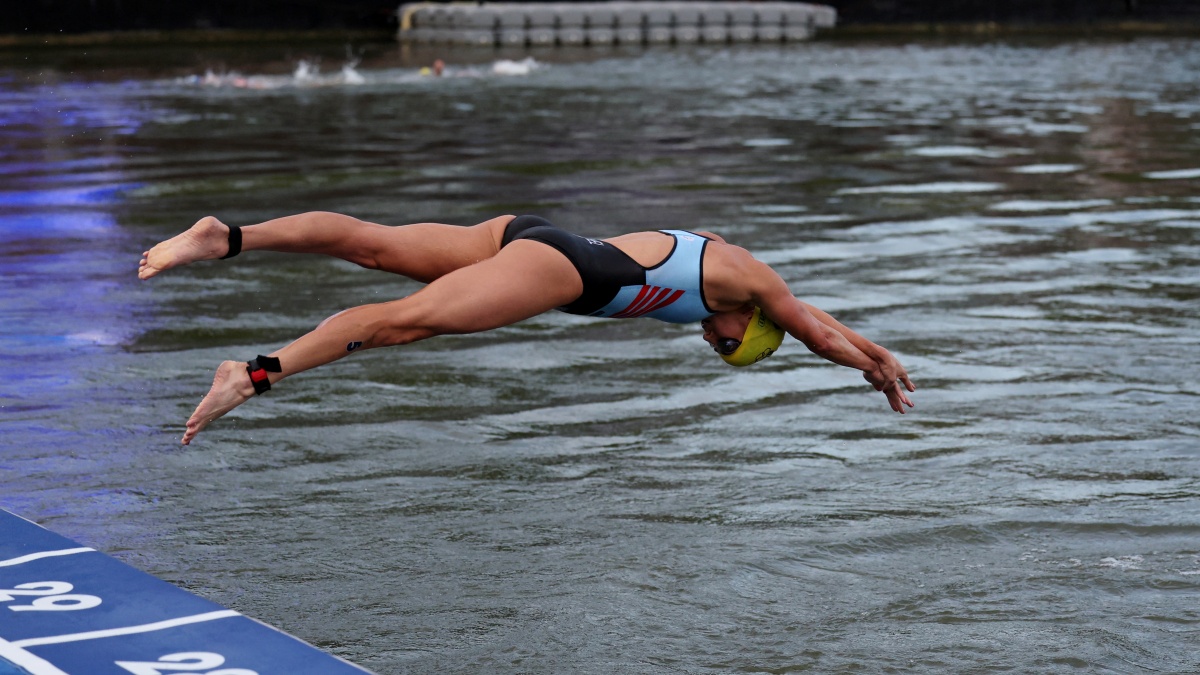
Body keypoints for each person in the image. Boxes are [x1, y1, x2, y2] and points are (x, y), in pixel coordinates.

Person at [139, 212, 915, 445]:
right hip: (560, 272)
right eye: (727, 344)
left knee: (374, 248)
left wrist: (876, 349)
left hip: (528, 235)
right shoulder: (743, 278)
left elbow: (807, 315)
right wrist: (869, 369)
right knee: (399, 325)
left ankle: (225, 237)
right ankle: (252, 374)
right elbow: (810, 330)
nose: (711, 342)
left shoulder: (747, 284)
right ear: (750, 321)